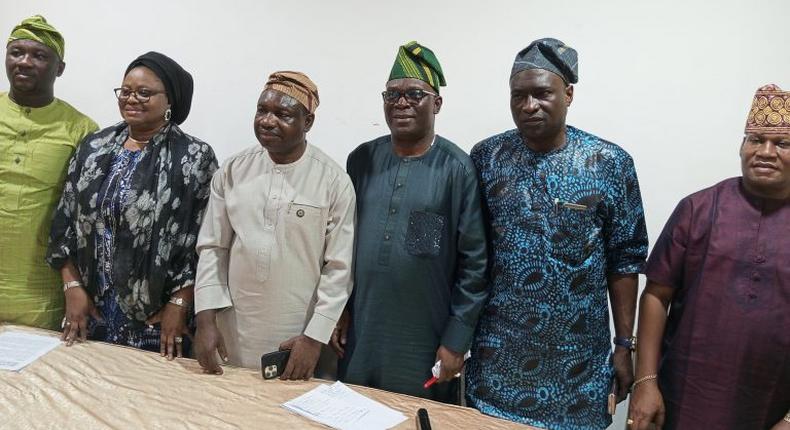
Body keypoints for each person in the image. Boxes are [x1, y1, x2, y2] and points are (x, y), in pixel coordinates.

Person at [465, 38, 648, 429]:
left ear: (568, 94)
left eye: (542, 94)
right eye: (518, 96)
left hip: (578, 370)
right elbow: (468, 256)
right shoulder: (485, 158)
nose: (529, 106)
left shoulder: (609, 163)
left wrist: (625, 345)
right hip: (497, 362)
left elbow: (625, 260)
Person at [627, 84, 790, 430]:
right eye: (755, 139)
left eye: (783, 143)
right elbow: (656, 295)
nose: (765, 151)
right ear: (741, 146)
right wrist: (645, 383)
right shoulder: (698, 209)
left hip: (772, 406)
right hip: (684, 400)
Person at [336, 41, 488, 404]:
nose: (401, 103)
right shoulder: (361, 161)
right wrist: (337, 310)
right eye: (392, 95)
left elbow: (475, 266)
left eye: (414, 94)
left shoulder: (457, 169)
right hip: (362, 332)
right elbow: (339, 244)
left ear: (437, 103)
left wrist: (456, 340)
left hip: (424, 338)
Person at [46, 52, 217, 359]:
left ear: (170, 101)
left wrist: (179, 304)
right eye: (125, 91)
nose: (131, 99)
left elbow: (202, 241)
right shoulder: (94, 147)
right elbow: (65, 222)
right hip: (92, 311)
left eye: (144, 93)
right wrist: (72, 286)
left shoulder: (193, 157)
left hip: (158, 321)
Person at [194, 71, 355, 380]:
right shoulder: (233, 170)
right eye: (262, 110)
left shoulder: (333, 181)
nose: (267, 121)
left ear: (307, 122)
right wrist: (205, 320)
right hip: (234, 329)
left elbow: (339, 268)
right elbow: (213, 247)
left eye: (283, 114)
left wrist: (314, 337)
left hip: (297, 336)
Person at [0, 15, 98, 330]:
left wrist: (74, 285)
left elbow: (82, 219)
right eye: (16, 52)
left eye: (39, 56)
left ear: (59, 68)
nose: (24, 62)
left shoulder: (82, 129)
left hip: (40, 291)